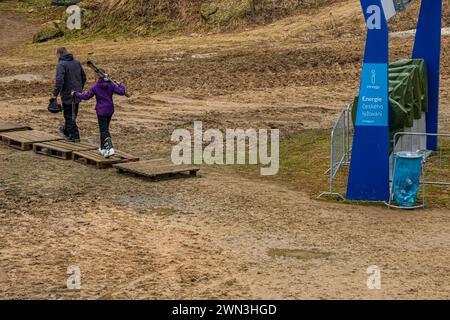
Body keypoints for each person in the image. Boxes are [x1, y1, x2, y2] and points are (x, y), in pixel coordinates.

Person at [73, 70, 127, 158]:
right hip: (110, 110)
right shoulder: (111, 84)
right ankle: (103, 149)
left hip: (101, 111)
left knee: (104, 130)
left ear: (98, 77)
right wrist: (120, 84)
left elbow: (86, 96)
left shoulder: (96, 86)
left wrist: (75, 93)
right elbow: (122, 92)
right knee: (105, 129)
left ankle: (110, 148)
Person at [51, 47, 87, 142]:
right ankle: (67, 131)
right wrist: (79, 90)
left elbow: (59, 81)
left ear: (59, 54)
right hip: (77, 94)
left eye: (56, 54)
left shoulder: (61, 65)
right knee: (73, 115)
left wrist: (54, 94)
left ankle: (75, 136)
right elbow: (84, 77)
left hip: (67, 94)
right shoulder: (77, 62)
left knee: (68, 115)